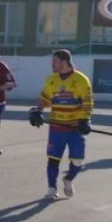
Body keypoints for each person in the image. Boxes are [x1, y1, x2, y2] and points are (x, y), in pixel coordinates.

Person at [29, 49, 94, 200]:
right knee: (53, 158)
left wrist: (85, 120)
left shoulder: (81, 79)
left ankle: (68, 179)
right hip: (56, 127)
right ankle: (52, 188)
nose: (52, 64)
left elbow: (88, 101)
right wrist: (37, 111)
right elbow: (44, 99)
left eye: (55, 61)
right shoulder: (51, 79)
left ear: (64, 62)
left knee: (78, 161)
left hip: (75, 128)